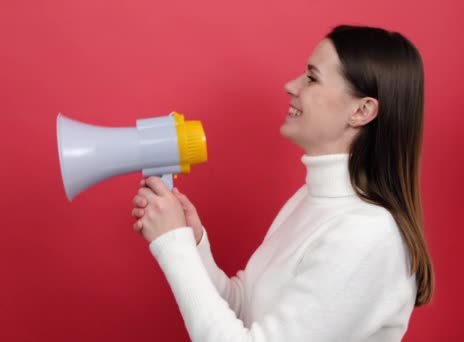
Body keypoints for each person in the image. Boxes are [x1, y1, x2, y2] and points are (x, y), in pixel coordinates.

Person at [130, 25, 434, 341]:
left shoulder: (367, 234)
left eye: (312, 78)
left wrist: (172, 244)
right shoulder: (309, 200)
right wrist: (193, 244)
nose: (291, 86)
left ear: (362, 110)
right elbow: (244, 310)